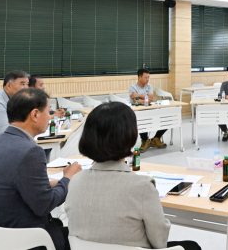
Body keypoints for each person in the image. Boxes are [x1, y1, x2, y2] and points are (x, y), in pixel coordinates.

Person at [65, 102, 201, 250]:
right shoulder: (142, 187)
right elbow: (159, 242)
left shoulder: (75, 181)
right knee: (192, 246)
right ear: (130, 136)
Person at [0, 88, 82, 250]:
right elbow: (45, 204)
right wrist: (67, 178)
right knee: (81, 237)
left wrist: (51, 182)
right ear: (35, 115)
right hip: (18, 239)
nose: (50, 116)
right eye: (48, 112)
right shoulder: (30, 151)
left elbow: (14, 183)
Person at [129, 68, 167, 152]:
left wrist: (139, 96)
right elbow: (136, 101)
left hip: (150, 108)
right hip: (138, 111)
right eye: (145, 77)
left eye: (148, 77)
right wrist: (144, 99)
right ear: (139, 77)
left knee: (166, 117)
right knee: (142, 119)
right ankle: (145, 140)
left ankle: (156, 139)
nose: (147, 79)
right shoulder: (132, 87)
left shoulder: (149, 86)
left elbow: (150, 99)